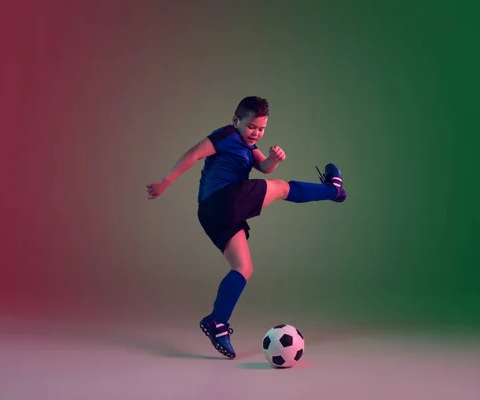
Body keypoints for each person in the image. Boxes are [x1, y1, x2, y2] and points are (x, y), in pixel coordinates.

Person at [146, 96, 346, 359]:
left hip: (212, 215)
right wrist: (166, 180)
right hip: (222, 200)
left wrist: (274, 158)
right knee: (282, 188)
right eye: (252, 127)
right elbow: (193, 154)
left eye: (262, 129)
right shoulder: (226, 135)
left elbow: (263, 167)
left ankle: (217, 322)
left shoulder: (249, 147)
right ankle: (332, 190)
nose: (256, 133)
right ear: (236, 120)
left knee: (243, 268)